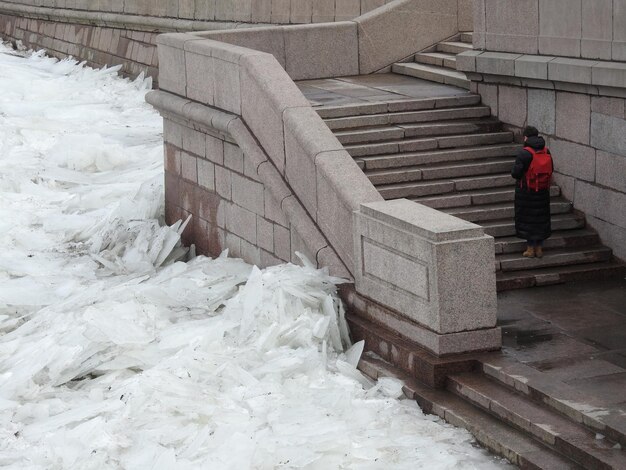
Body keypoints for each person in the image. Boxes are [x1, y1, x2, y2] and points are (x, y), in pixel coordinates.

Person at [511, 126, 553, 258]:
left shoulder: (524, 153)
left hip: (526, 192)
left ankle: (530, 249)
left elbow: (516, 174)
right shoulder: (546, 151)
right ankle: (539, 248)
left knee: (527, 219)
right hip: (542, 191)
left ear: (526, 137)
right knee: (540, 218)